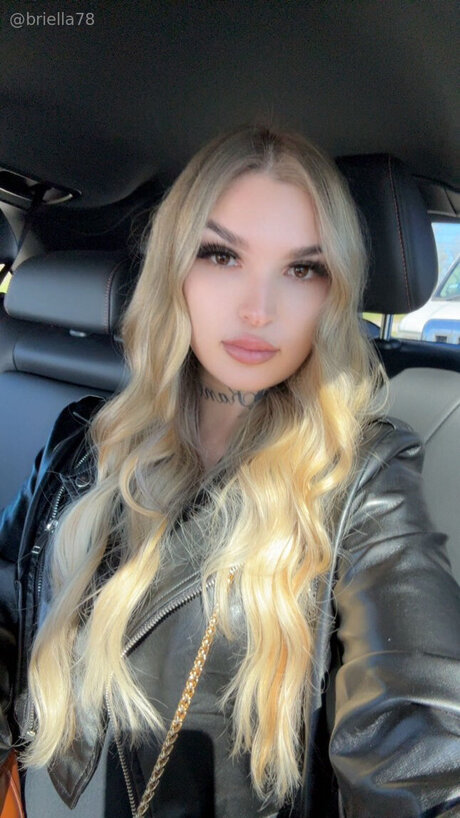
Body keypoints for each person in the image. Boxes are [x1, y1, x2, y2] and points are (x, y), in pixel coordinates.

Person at [0, 123, 459, 818]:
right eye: (221, 255)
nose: (258, 310)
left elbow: (418, 750)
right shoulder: (82, 441)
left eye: (303, 270)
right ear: (174, 268)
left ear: (334, 294)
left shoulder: (364, 479)